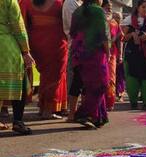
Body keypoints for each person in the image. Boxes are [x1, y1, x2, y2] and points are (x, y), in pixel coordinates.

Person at [20, 0, 68, 120]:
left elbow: (22, 26)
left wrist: (26, 48)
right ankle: (47, 110)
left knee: (45, 76)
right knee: (54, 77)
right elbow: (68, 22)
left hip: (36, 43)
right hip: (57, 43)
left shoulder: (25, 3)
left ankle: (43, 107)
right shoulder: (59, 3)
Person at [69, 0, 109, 128]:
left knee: (90, 85)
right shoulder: (98, 11)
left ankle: (98, 117)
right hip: (94, 52)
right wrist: (108, 53)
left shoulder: (77, 12)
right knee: (101, 84)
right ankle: (84, 114)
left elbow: (72, 33)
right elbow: (104, 36)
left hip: (78, 52)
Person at [121, 0, 146, 110]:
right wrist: (132, 34)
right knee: (132, 78)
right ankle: (133, 102)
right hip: (133, 54)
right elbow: (123, 38)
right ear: (138, 7)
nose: (145, 9)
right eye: (143, 7)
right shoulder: (129, 20)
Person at [0, 0, 34, 135]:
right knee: (20, 82)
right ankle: (18, 122)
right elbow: (18, 26)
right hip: (6, 46)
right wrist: (26, 51)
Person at [102, 0, 121, 111]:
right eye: (108, 6)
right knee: (102, 77)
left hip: (112, 53)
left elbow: (119, 40)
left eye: (111, 6)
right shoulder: (100, 20)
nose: (110, 8)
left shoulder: (114, 22)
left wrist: (120, 55)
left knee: (111, 77)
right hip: (101, 52)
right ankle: (101, 101)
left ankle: (110, 102)